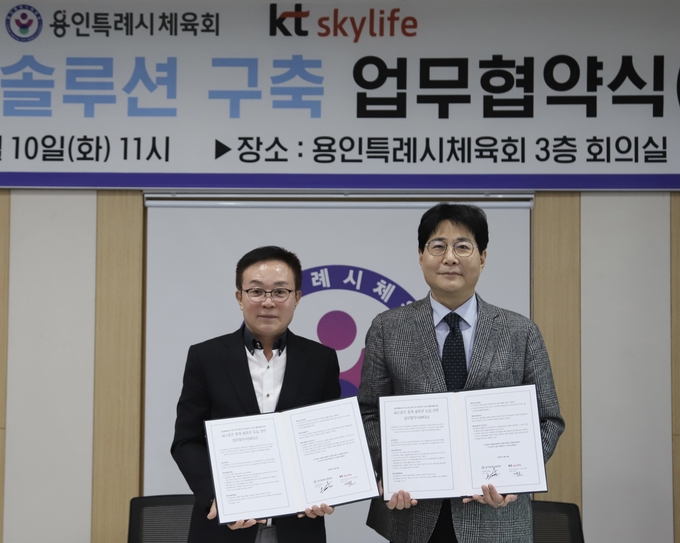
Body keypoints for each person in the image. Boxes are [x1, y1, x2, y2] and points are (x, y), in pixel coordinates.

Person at [357, 203, 565, 543]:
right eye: (438, 246)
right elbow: (369, 411)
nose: (450, 258)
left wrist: (517, 475)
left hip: (496, 516)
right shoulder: (388, 328)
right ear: (421, 256)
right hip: (412, 513)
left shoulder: (520, 331)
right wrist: (390, 469)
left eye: (463, 246)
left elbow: (549, 419)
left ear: (482, 258)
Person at [172, 245, 341, 543]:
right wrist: (216, 496)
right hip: (225, 527)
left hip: (299, 526)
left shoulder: (321, 360)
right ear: (240, 297)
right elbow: (187, 440)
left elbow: (328, 440)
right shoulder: (206, 357)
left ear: (297, 297)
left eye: (280, 292)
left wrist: (329, 487)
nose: (268, 302)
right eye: (256, 291)